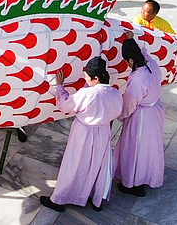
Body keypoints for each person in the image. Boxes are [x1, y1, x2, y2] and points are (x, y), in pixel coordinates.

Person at [39, 57, 122, 212]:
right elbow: (116, 111)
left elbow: (65, 105)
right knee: (97, 165)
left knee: (74, 164)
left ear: (95, 78)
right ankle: (96, 198)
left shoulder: (86, 94)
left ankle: (59, 199)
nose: (85, 79)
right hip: (103, 132)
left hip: (84, 133)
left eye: (86, 77)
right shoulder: (115, 93)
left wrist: (60, 86)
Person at [114, 35, 165, 197]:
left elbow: (129, 104)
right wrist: (131, 40)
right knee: (149, 148)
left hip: (141, 117)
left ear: (130, 60)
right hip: (154, 112)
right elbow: (145, 53)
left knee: (134, 149)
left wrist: (119, 115)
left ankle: (132, 183)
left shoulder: (138, 79)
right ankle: (146, 176)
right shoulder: (152, 64)